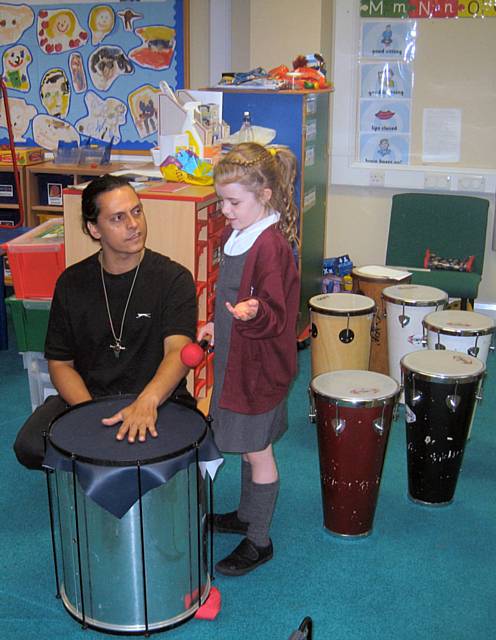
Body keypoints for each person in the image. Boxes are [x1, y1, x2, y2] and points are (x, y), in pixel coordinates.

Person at [14, 174, 197, 470]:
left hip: (159, 396)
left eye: (137, 212)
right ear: (94, 229)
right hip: (91, 397)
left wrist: (147, 401)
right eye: (117, 218)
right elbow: (60, 364)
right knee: (30, 446)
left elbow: (178, 351)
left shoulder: (174, 279)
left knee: (173, 445)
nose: (133, 225)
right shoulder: (71, 283)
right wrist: (88, 414)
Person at [197, 142, 300, 577]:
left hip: (259, 369)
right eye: (222, 200)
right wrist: (219, 327)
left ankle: (259, 540)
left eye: (234, 201)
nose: (225, 210)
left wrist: (255, 315)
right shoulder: (239, 233)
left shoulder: (270, 247)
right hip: (237, 361)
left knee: (258, 450)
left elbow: (278, 316)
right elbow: (231, 296)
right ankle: (244, 513)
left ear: (265, 196)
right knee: (243, 442)